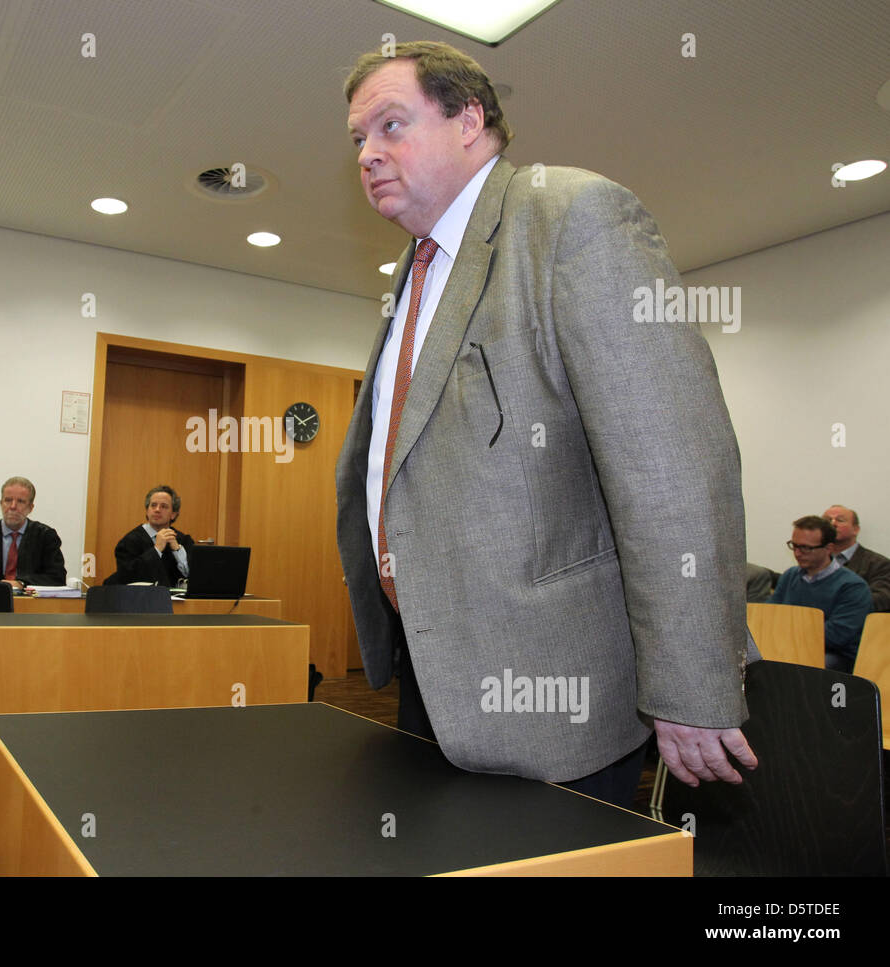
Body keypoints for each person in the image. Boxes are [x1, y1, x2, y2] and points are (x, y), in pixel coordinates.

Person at [334, 41, 756, 804]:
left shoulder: (569, 216)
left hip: (554, 695)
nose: (368, 153)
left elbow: (672, 462)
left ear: (469, 119)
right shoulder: (417, 268)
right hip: (434, 666)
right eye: (358, 138)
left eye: (390, 125)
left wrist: (693, 686)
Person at [769, 515, 872, 672]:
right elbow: (770, 614)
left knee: (806, 668)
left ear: (828, 548)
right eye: (794, 546)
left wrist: (787, 630)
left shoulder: (853, 586)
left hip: (836, 656)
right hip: (791, 646)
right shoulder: (790, 575)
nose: (797, 553)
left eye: (806, 548)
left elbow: (837, 636)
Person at [105, 486, 194, 587]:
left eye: (163, 506)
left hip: (179, 601)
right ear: (147, 511)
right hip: (141, 600)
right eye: (153, 505)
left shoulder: (184, 540)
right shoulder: (129, 541)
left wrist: (177, 551)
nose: (157, 510)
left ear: (173, 514)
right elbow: (127, 576)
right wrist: (156, 550)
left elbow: (195, 576)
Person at [823, 504, 890, 612]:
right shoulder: (813, 561)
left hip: (860, 626)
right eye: (827, 520)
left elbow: (881, 599)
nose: (833, 523)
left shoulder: (879, 564)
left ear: (856, 529)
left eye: (840, 520)